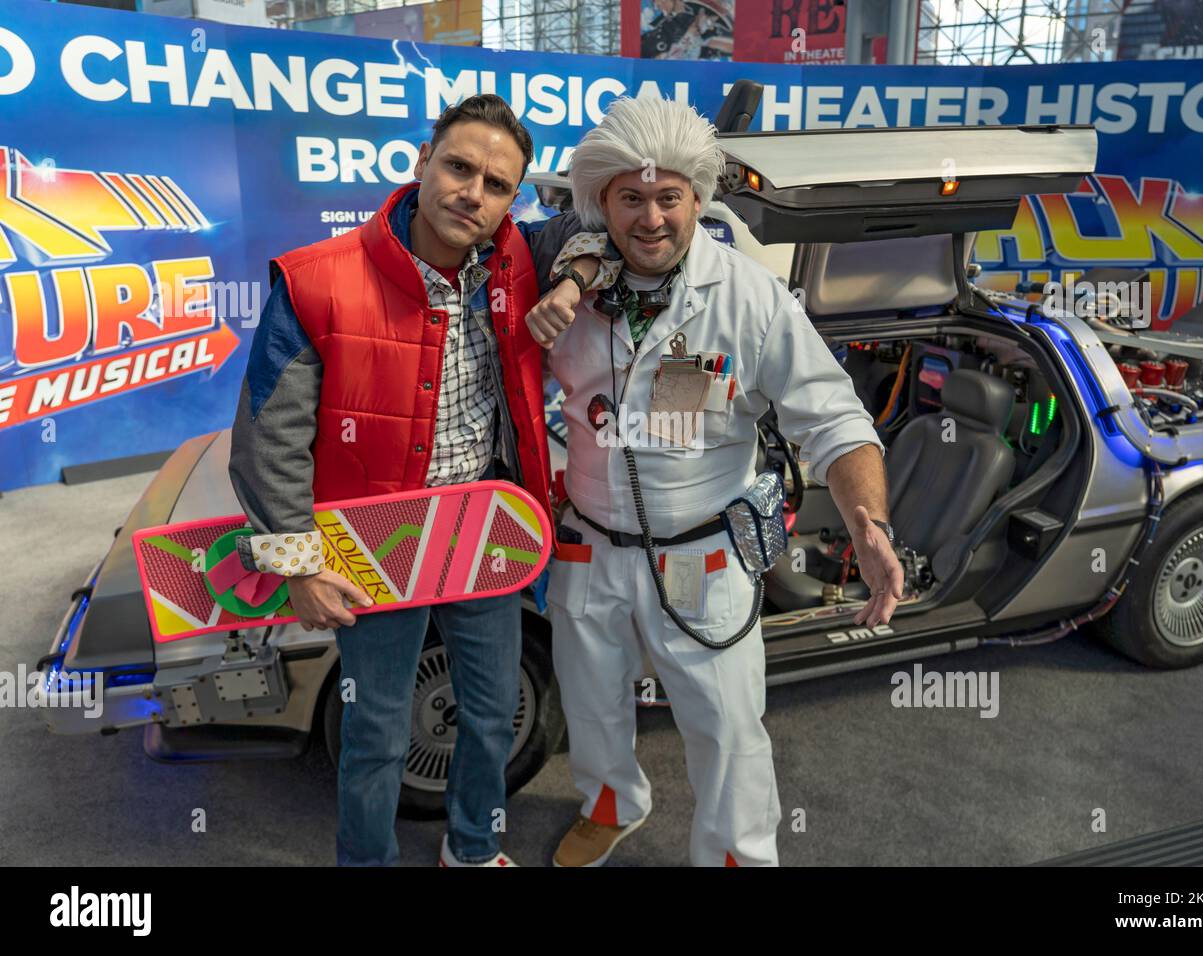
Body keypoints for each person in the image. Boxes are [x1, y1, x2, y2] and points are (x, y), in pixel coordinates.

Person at [524, 93, 905, 867]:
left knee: (726, 725)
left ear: (698, 197)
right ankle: (610, 804)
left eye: (670, 197)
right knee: (592, 705)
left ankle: (736, 854)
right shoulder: (566, 289)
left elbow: (834, 418)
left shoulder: (749, 298)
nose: (652, 217)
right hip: (586, 547)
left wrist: (869, 520)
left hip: (701, 554)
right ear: (602, 202)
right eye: (631, 198)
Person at [228, 93, 599, 867]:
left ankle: (470, 849)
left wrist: (572, 282)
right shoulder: (317, 281)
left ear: (513, 200)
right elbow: (269, 438)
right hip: (371, 543)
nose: (474, 193)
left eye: (498, 185)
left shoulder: (519, 260)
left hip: (483, 533)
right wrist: (297, 564)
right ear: (421, 164)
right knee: (376, 731)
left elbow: (602, 225)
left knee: (494, 715)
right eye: (459, 167)